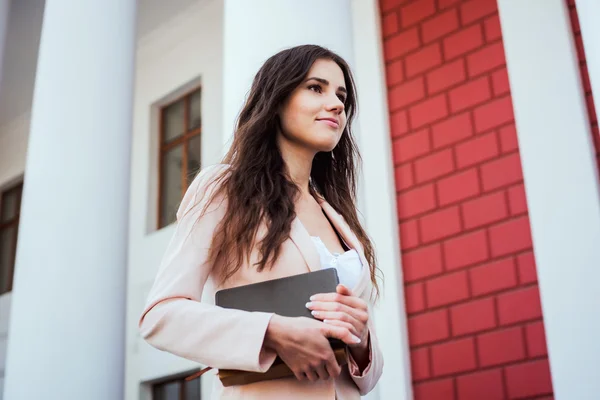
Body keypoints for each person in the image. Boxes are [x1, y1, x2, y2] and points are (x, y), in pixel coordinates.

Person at [138, 44, 383, 399]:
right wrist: (272, 331)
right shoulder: (224, 189)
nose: (337, 104)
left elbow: (365, 378)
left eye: (341, 95)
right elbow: (160, 317)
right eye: (316, 88)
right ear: (278, 99)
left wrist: (361, 341)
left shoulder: (338, 217)